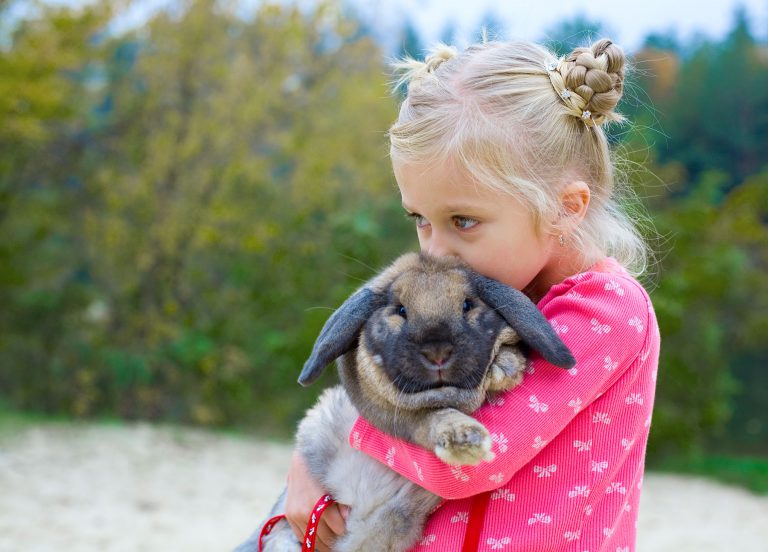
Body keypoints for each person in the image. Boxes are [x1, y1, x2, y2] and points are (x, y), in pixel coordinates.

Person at [273, 37, 659, 552]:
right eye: (421, 220)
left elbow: (467, 462)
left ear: (566, 208)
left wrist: (339, 437)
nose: (436, 251)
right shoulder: (481, 292)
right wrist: (309, 460)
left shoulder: (606, 311)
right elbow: (395, 385)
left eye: (463, 221)